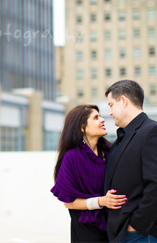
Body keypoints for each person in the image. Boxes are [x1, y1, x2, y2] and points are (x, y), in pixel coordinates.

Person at [103, 80, 157, 243]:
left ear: (124, 101)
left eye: (111, 105)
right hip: (122, 232)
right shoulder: (122, 137)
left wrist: (136, 225)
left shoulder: (153, 131)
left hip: (141, 234)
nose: (110, 112)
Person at [50, 104, 128, 243]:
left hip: (115, 226)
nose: (103, 120)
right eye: (96, 117)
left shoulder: (110, 151)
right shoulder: (72, 157)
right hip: (87, 232)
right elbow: (69, 203)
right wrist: (101, 201)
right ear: (82, 127)